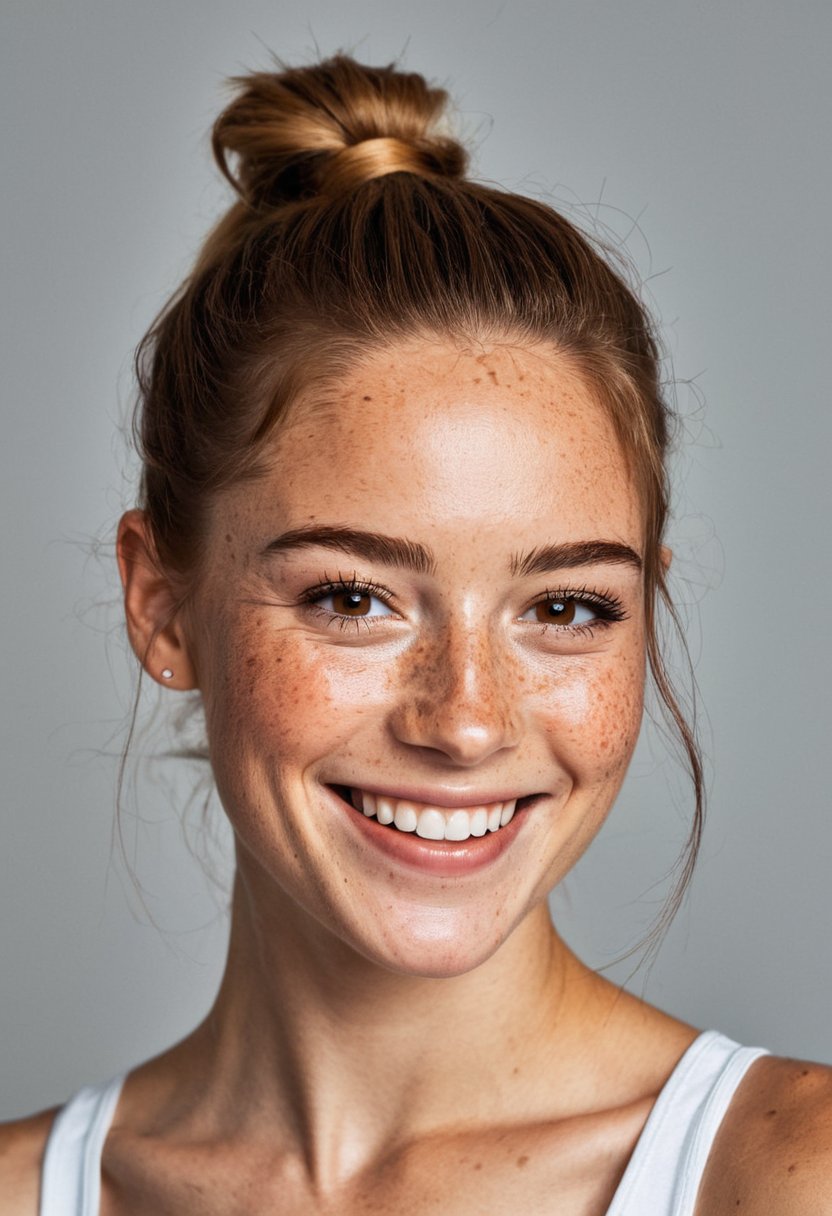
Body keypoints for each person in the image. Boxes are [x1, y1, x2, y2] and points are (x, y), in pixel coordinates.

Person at [1, 52, 830, 1216]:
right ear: (160, 604)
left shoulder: (790, 1177)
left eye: (564, 607)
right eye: (353, 598)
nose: (467, 720)